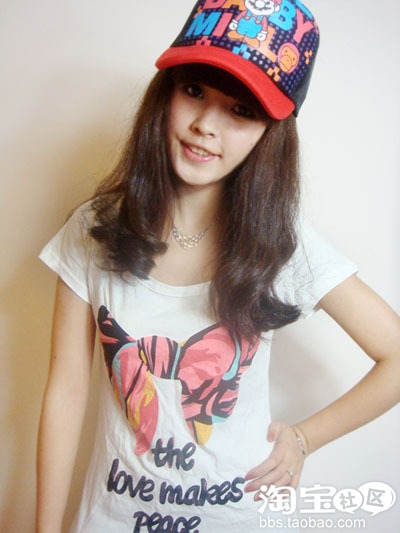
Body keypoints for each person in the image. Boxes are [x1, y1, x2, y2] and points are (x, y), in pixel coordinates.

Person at [36, 1, 400, 532]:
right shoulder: (94, 228)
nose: (206, 125)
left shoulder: (280, 244)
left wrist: (304, 439)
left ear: (270, 133)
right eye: (193, 90)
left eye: (241, 110)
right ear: (165, 92)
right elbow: (66, 392)